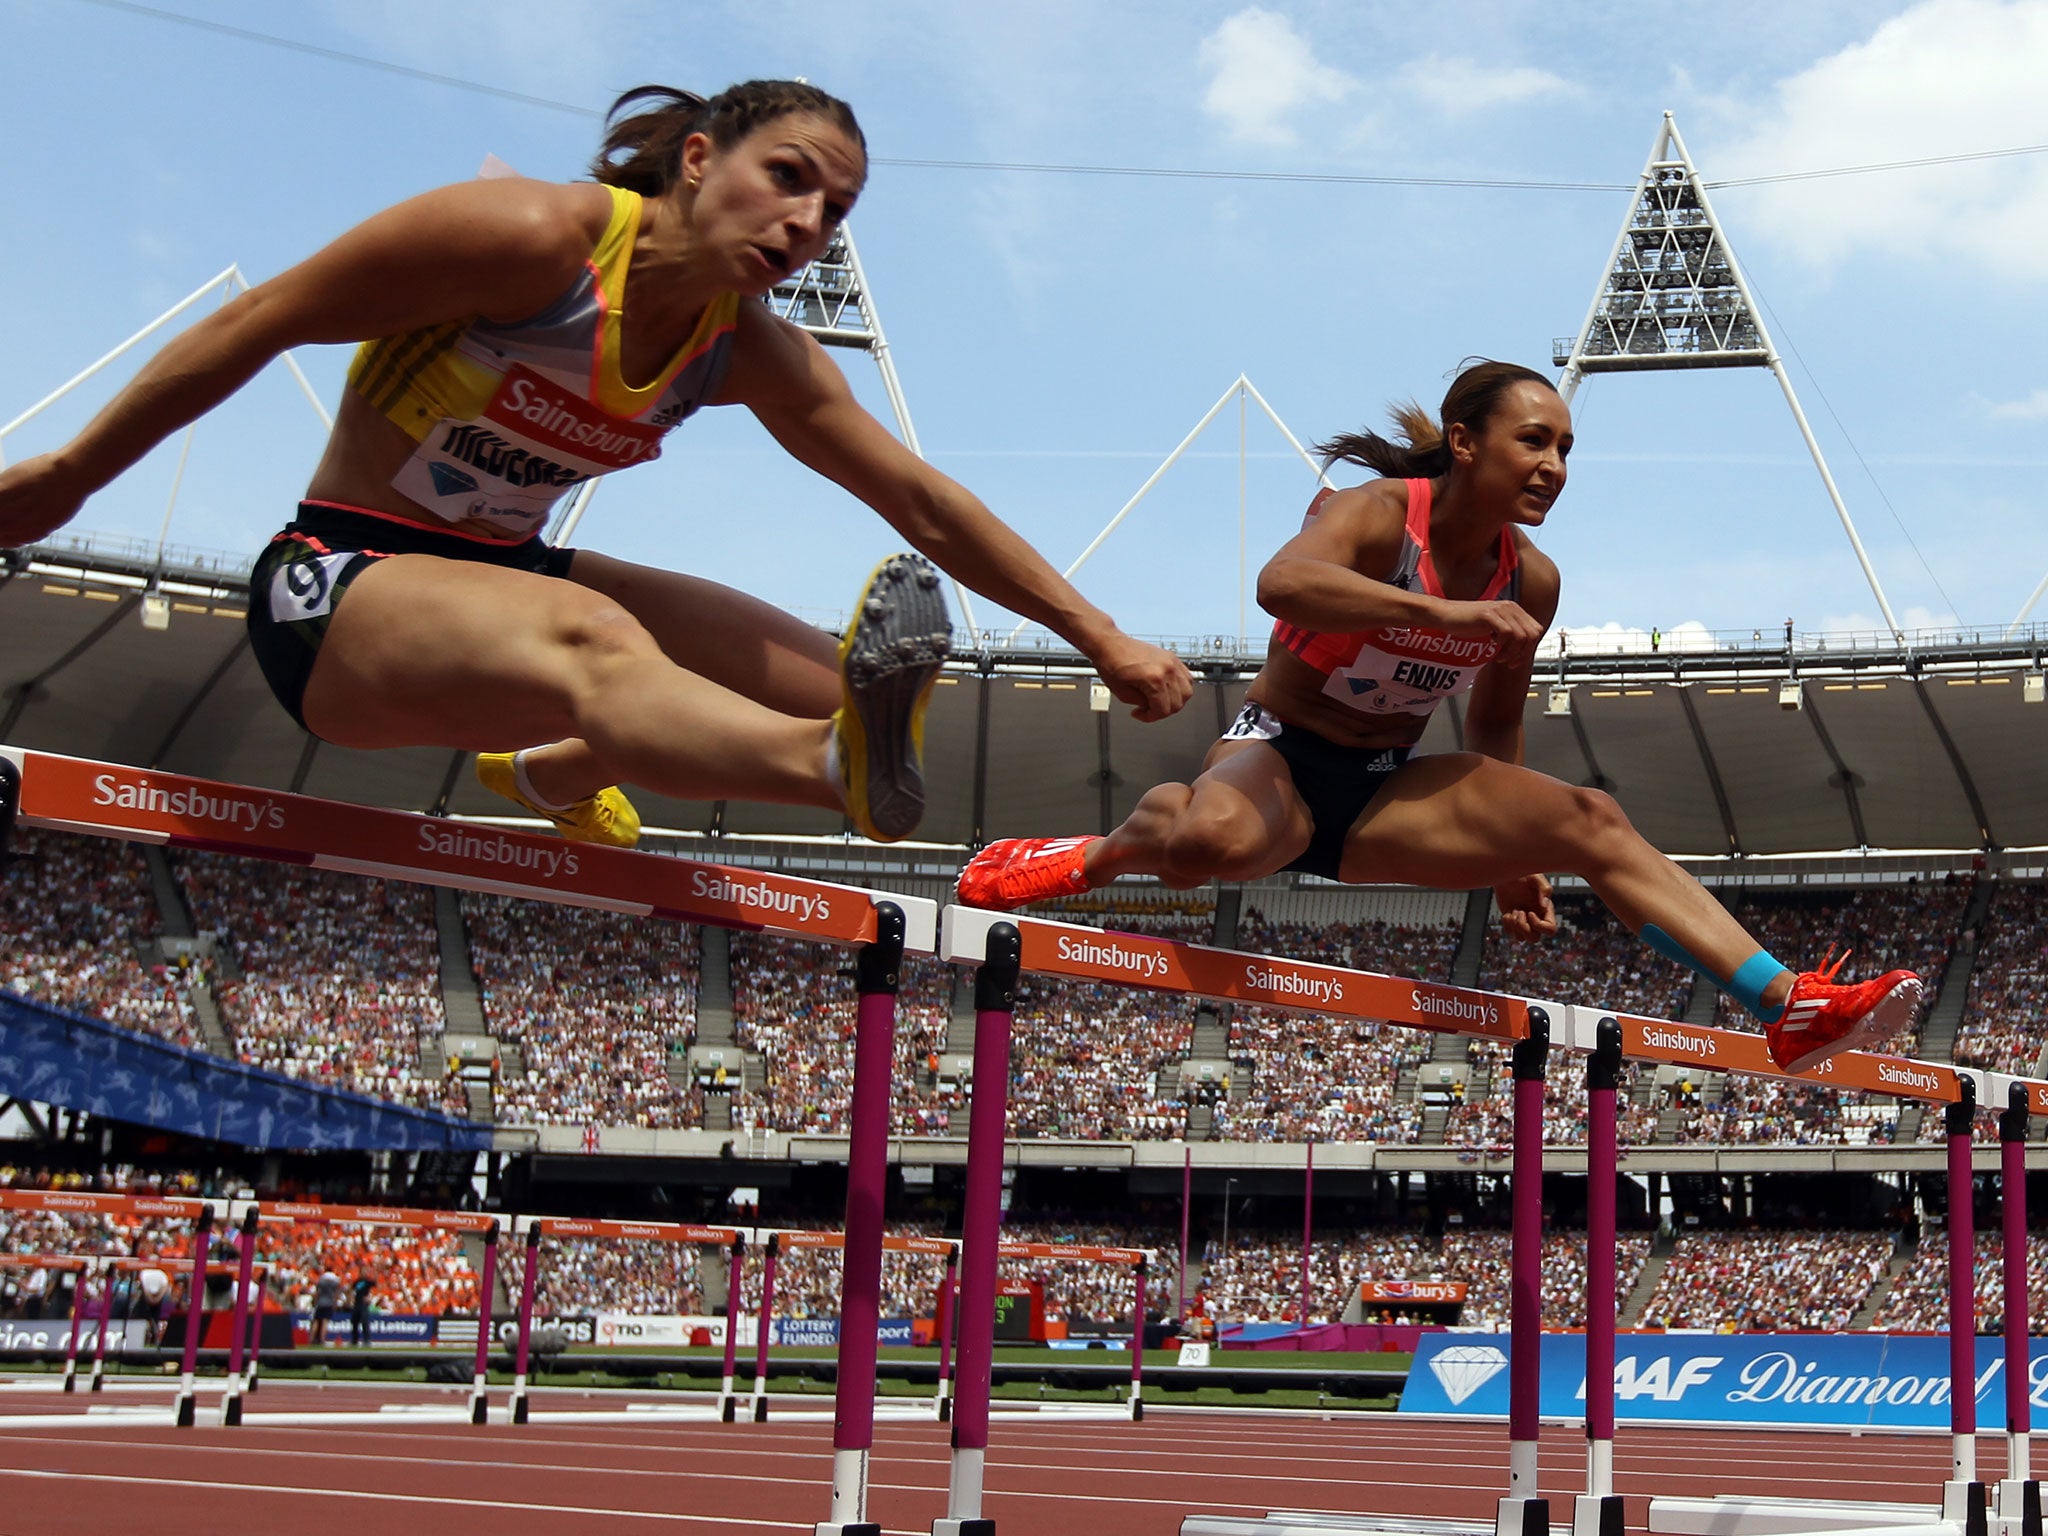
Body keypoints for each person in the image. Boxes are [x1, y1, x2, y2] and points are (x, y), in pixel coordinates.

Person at [0, 80, 1189, 846]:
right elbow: (263, 318)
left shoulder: (748, 351)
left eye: (835, 214)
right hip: (337, 585)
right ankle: (824, 770)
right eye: (787, 177)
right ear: (692, 158)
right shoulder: (532, 242)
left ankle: (559, 773)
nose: (807, 225)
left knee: (833, 676)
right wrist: (73, 472)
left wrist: (1101, 638)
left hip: (509, 579)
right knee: (610, 642)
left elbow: (920, 498)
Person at [959, 360, 1920, 1074]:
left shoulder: (1531, 580)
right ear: (1466, 443)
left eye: (1566, 450)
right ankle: (1090, 857)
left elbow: (1495, 732)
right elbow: (1280, 583)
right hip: (1279, 761)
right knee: (1208, 837)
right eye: (1533, 442)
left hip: (1388, 793)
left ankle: (1788, 1003)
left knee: (1592, 820)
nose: (1555, 466)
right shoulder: (1381, 514)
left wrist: (1513, 855)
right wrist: (1444, 614)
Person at [310, 1267, 341, 1346]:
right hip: (329, 1302)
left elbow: (317, 1292)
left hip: (320, 1303)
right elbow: (336, 1293)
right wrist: (335, 1303)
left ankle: (311, 1339)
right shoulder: (334, 1280)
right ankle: (322, 1339)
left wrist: (315, 1301)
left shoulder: (321, 1279)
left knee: (316, 1321)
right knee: (325, 1321)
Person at [348, 1273, 375, 1348]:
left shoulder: (367, 1282)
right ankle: (354, 1340)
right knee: (355, 1322)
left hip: (364, 1304)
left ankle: (366, 1340)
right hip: (357, 1303)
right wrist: (350, 1299)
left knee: (364, 1321)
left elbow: (375, 1285)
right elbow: (351, 1289)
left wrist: (369, 1297)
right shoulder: (357, 1282)